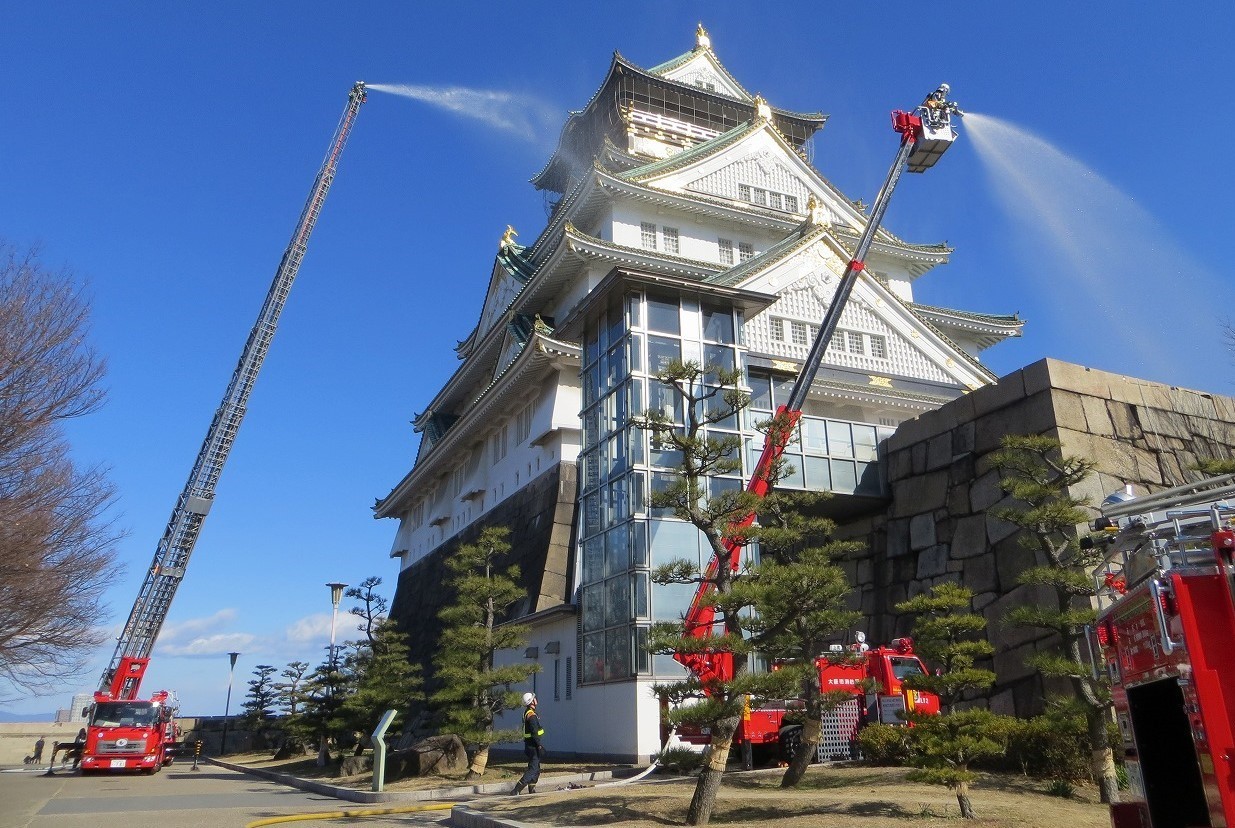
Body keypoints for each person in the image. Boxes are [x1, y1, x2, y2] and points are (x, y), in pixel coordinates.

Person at [511, 692, 545, 795]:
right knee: (533, 768)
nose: (536, 699)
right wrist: (539, 745)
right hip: (533, 746)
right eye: (534, 698)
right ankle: (516, 790)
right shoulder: (531, 715)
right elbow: (535, 732)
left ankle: (532, 788)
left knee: (536, 768)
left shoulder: (527, 712)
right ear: (532, 702)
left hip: (529, 745)